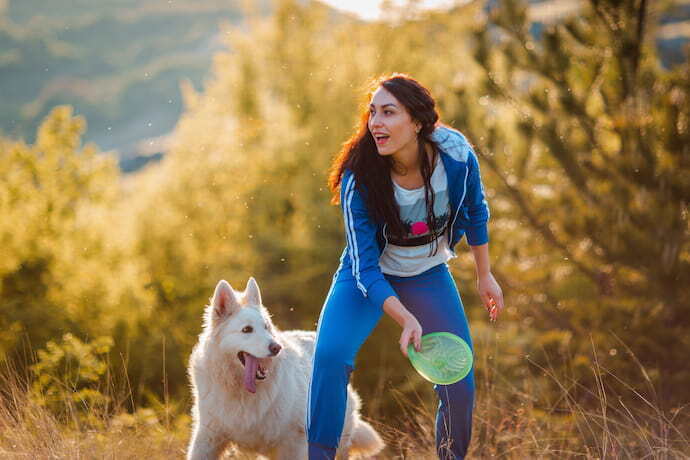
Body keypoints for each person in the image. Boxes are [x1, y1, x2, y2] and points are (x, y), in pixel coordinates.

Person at [305, 73, 505, 460]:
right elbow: (364, 269)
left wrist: (485, 275)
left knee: (458, 379)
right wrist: (405, 317)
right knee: (329, 356)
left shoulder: (457, 156)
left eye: (388, 113)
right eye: (372, 113)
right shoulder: (358, 179)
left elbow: (476, 211)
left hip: (428, 274)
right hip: (366, 277)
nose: (375, 123)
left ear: (417, 122)